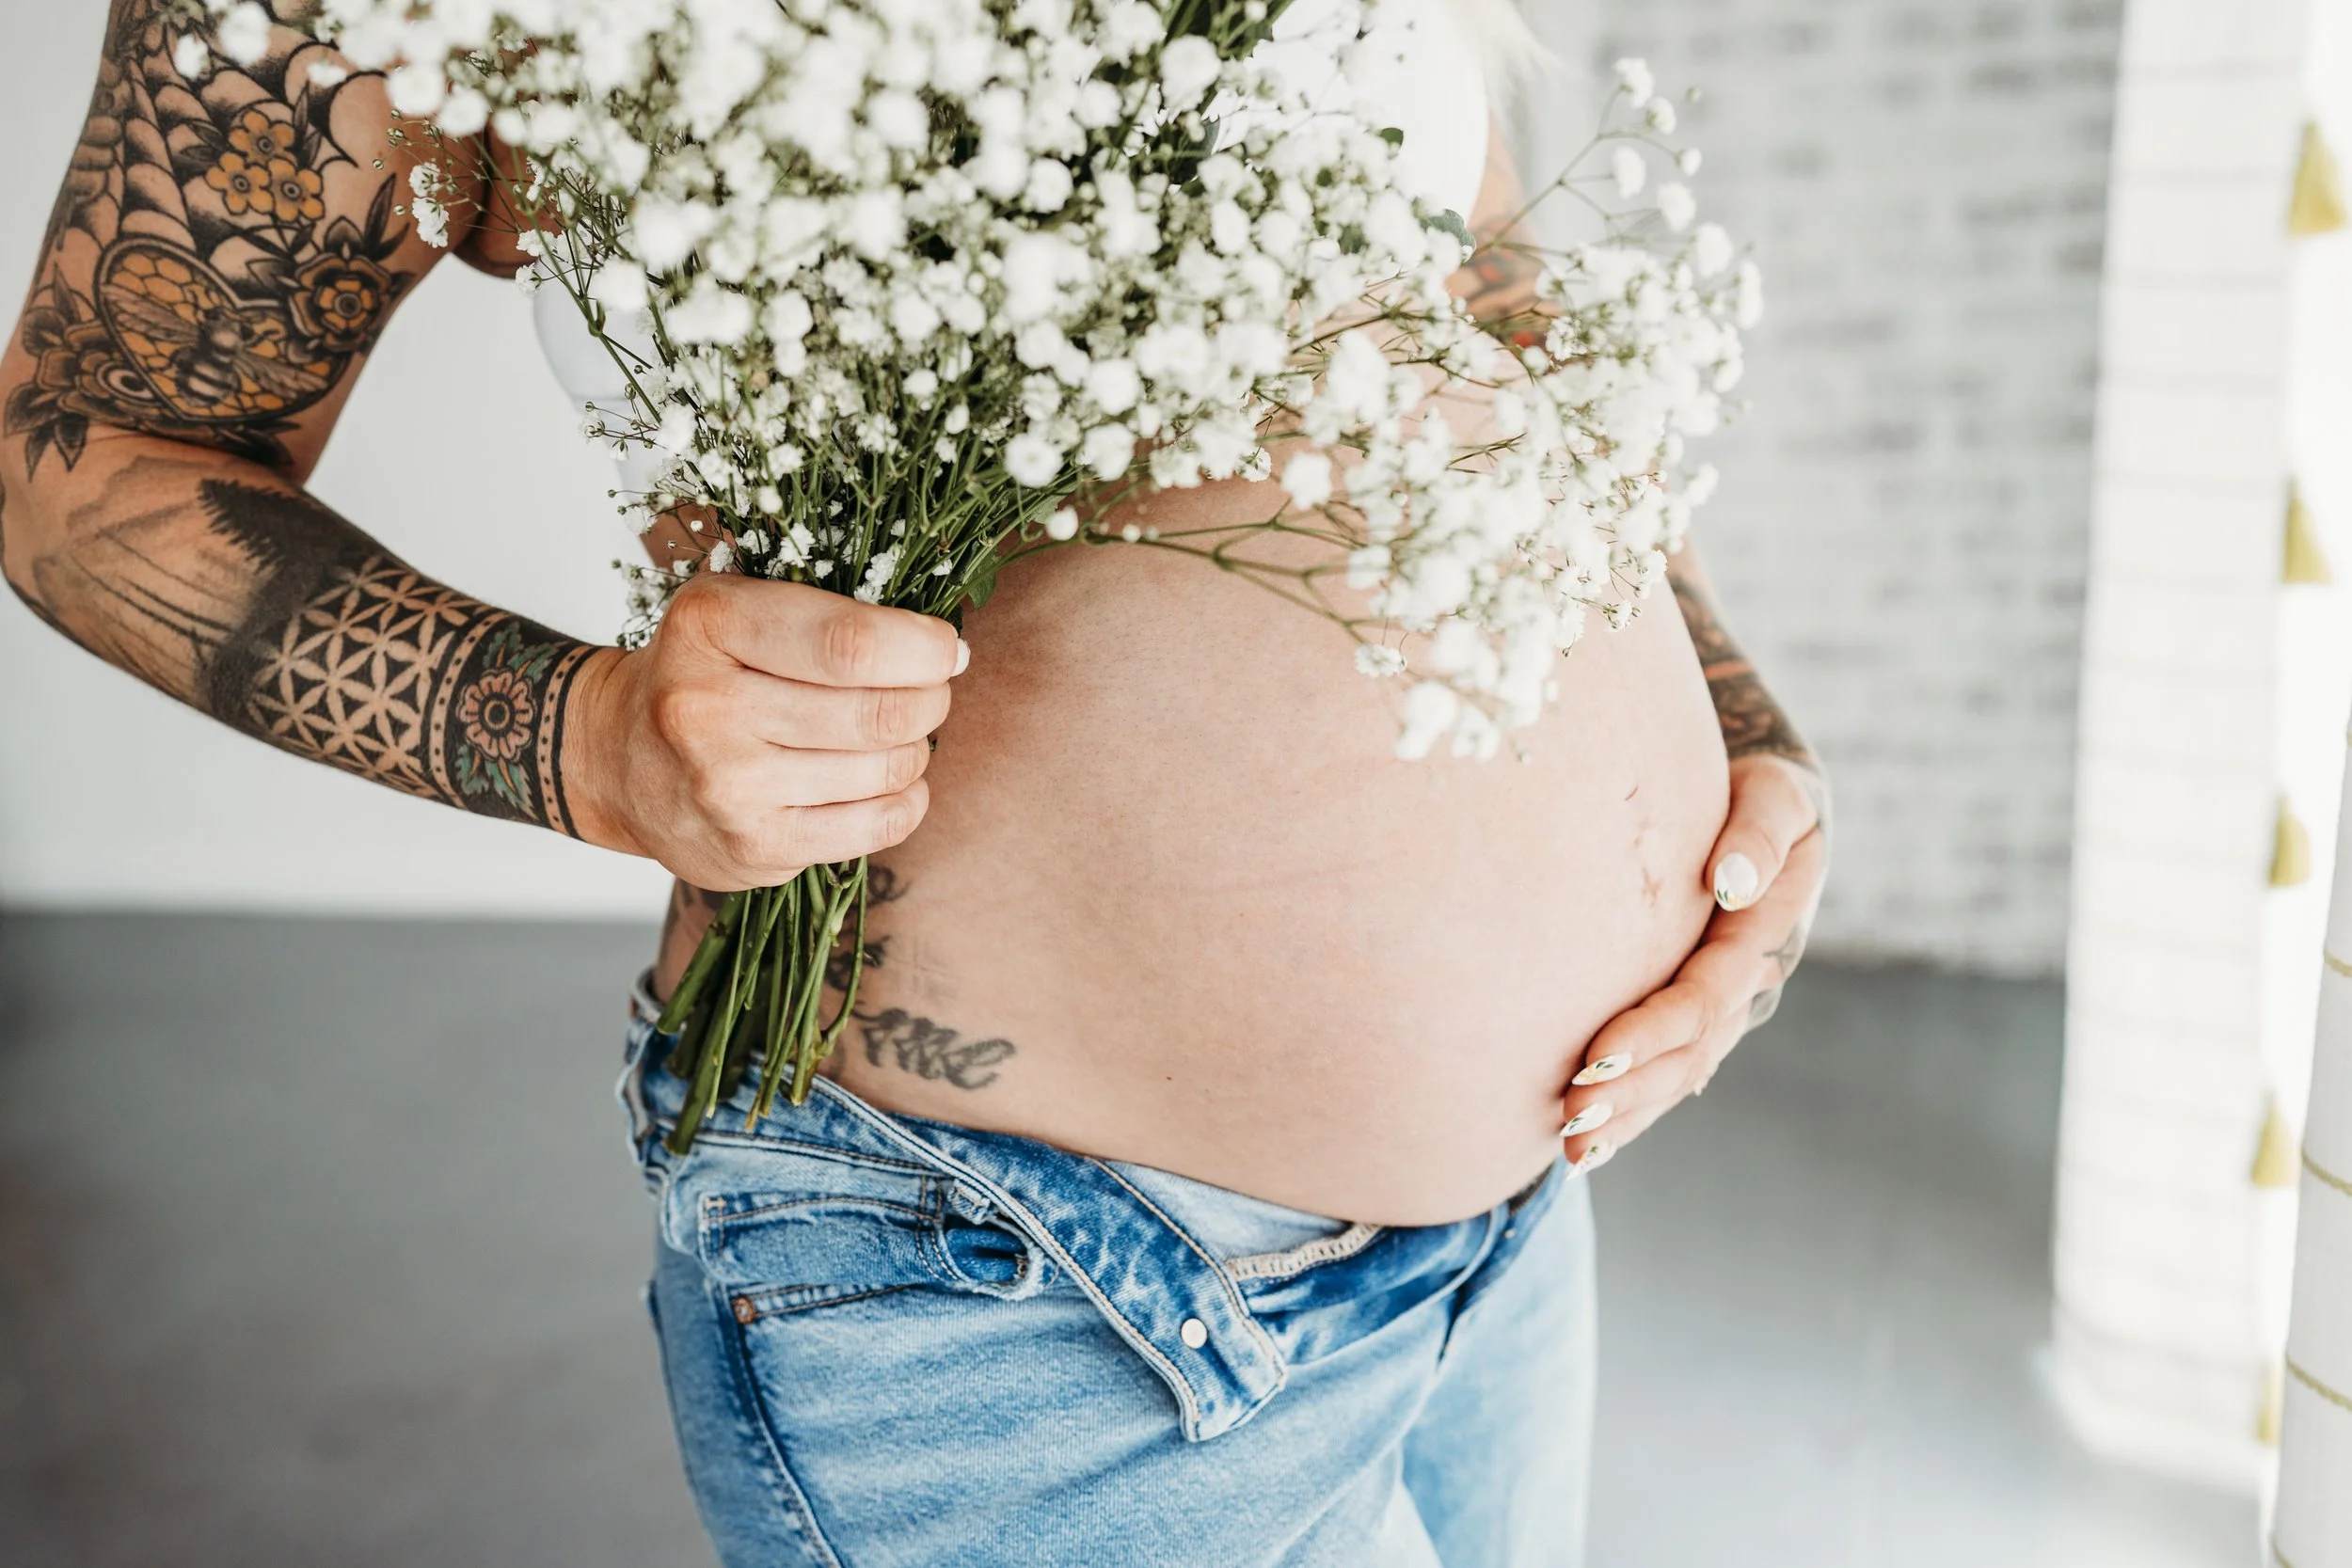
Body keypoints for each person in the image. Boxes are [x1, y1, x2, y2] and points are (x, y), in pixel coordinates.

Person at [2, 2, 1828, 1563]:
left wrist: (1725, 731)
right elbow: (84, 462)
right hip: (1032, 1289)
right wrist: (591, 739)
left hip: (1524, 1200)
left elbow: (1469, 288)